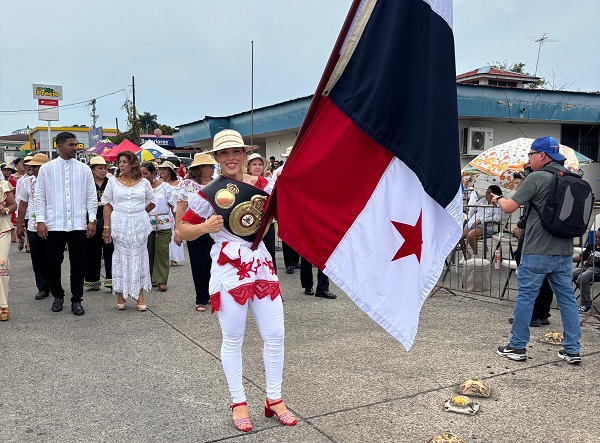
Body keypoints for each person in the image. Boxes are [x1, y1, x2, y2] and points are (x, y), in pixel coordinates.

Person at [178, 129, 296, 432]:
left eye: (236, 152)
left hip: (261, 265)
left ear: (245, 155)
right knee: (233, 339)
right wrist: (205, 226)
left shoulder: (265, 185)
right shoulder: (207, 194)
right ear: (217, 159)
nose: (231, 158)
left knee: (276, 335)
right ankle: (238, 401)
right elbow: (181, 232)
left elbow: (286, 213)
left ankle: (274, 398)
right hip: (230, 268)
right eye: (224, 153)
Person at [493, 136, 582, 364]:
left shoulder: (536, 178)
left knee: (525, 298)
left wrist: (498, 198)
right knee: (567, 301)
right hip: (563, 251)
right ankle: (572, 349)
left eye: (531, 154)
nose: (529, 159)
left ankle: (517, 346)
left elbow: (510, 208)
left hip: (536, 251)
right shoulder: (571, 177)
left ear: (542, 155)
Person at [34, 132, 97, 316]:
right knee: (53, 263)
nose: (74, 148)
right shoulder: (46, 169)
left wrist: (91, 220)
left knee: (78, 264)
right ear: (59, 146)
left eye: (75, 145)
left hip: (78, 224)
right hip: (55, 225)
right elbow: (40, 198)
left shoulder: (84, 169)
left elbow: (91, 196)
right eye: (70, 144)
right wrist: (40, 221)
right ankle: (58, 296)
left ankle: (77, 299)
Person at [102, 151, 155, 310]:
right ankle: (121, 294)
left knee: (138, 257)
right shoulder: (113, 182)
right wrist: (106, 227)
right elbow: (107, 204)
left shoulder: (144, 183)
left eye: (125, 161)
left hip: (139, 225)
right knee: (121, 257)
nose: (121, 165)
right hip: (120, 225)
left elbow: (151, 202)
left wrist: (139, 213)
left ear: (133, 164)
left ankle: (139, 295)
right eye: (120, 162)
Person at [173, 153, 217, 311]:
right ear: (199, 168)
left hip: (215, 228)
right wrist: (178, 230)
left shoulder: (216, 183)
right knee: (199, 263)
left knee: (214, 264)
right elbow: (181, 208)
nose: (212, 169)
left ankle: (213, 295)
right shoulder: (188, 185)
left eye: (213, 166)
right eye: (209, 166)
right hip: (193, 228)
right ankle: (201, 298)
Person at [16, 153, 50, 300]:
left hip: (53, 226)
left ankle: (54, 284)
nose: (33, 169)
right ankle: (42, 287)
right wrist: (19, 225)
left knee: (54, 258)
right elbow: (22, 204)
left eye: (36, 166)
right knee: (37, 258)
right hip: (33, 226)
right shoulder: (27, 182)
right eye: (31, 166)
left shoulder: (55, 182)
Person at [141, 161, 173, 292]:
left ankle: (161, 279)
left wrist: (179, 224)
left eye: (146, 173)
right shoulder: (140, 187)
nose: (143, 176)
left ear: (154, 173)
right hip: (146, 224)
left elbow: (173, 205)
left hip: (163, 223)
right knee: (148, 251)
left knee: (162, 251)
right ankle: (151, 278)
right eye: (141, 174)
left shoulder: (165, 187)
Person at [84, 156, 114, 291]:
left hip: (109, 220)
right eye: (100, 168)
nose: (103, 171)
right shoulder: (87, 183)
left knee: (110, 251)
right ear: (92, 170)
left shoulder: (111, 182)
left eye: (105, 168)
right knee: (91, 251)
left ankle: (112, 279)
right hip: (92, 221)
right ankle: (92, 281)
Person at [246, 152, 276, 270]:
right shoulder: (244, 181)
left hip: (267, 223)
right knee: (251, 256)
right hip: (249, 224)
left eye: (260, 164)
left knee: (269, 255)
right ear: (249, 167)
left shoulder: (269, 182)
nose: (257, 166)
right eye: (254, 164)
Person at [460, 185, 503, 259]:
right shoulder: (483, 200)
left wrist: (481, 220)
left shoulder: (498, 204)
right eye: (486, 192)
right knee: (459, 236)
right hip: (472, 223)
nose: (486, 194)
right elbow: (473, 208)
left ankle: (475, 255)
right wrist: (468, 218)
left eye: (488, 193)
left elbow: (497, 218)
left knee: (470, 235)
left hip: (485, 226)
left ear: (494, 194)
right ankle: (466, 254)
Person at [158, 161, 184, 267]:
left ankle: (175, 258)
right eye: (161, 169)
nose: (162, 171)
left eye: (164, 169)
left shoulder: (178, 182)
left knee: (175, 232)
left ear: (170, 171)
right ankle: (164, 258)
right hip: (164, 210)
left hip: (175, 209)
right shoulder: (158, 182)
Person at [0, 174, 17, 320]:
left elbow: (13, 205)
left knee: (1, 265)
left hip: (2, 230)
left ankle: (3, 306)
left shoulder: (3, 185)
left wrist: (5, 210)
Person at [572, 229, 600, 313]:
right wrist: (569, 259)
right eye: (595, 237)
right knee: (568, 274)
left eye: (599, 237)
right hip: (585, 267)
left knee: (582, 278)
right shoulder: (591, 246)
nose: (596, 239)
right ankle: (569, 300)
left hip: (596, 269)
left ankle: (586, 303)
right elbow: (581, 257)